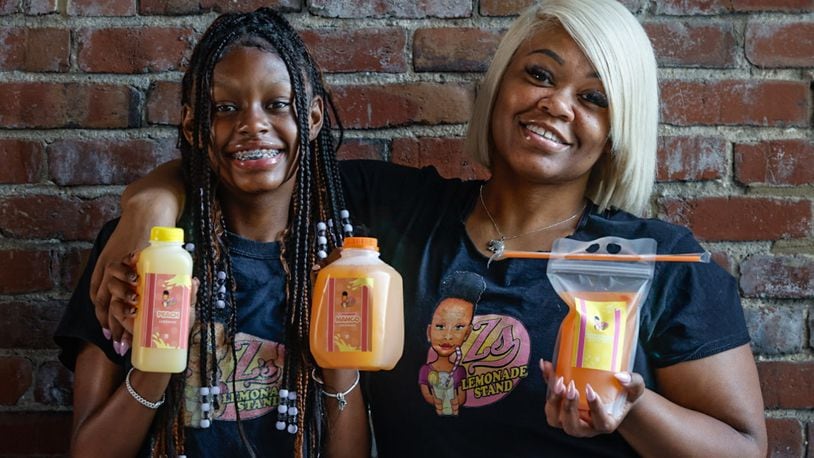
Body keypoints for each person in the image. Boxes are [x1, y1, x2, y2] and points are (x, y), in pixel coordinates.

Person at [85, 0, 768, 456]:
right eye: (539, 74)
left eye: (592, 97)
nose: (556, 105)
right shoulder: (396, 213)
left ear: (620, 126)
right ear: (500, 87)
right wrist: (143, 215)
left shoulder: (657, 259)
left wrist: (636, 411)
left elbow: (746, 446)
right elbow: (256, 161)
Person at [54, 8, 367, 458]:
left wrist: (338, 360)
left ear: (314, 116)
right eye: (224, 108)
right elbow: (89, 451)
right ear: (192, 126)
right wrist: (158, 356)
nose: (252, 123)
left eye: (277, 104)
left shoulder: (341, 264)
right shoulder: (139, 253)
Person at [419, 271, 485, 416]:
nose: (448, 336)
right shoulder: (426, 370)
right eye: (440, 326)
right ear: (429, 331)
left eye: (459, 327)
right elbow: (426, 392)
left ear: (467, 334)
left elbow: (461, 395)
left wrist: (456, 401)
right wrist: (435, 400)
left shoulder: (459, 371)